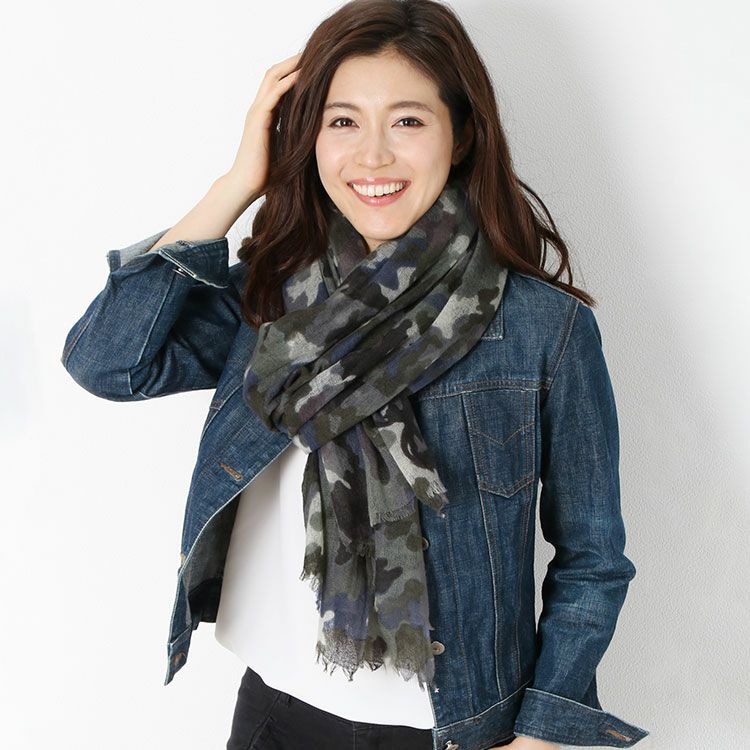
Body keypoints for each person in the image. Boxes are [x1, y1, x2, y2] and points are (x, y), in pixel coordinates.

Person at [60, 1, 651, 749]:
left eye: (407, 121)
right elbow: (107, 362)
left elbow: (593, 557)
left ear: (461, 135)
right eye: (342, 121)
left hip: (452, 729)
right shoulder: (272, 299)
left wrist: (541, 733)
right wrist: (238, 182)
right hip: (276, 711)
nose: (372, 157)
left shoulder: (542, 328)